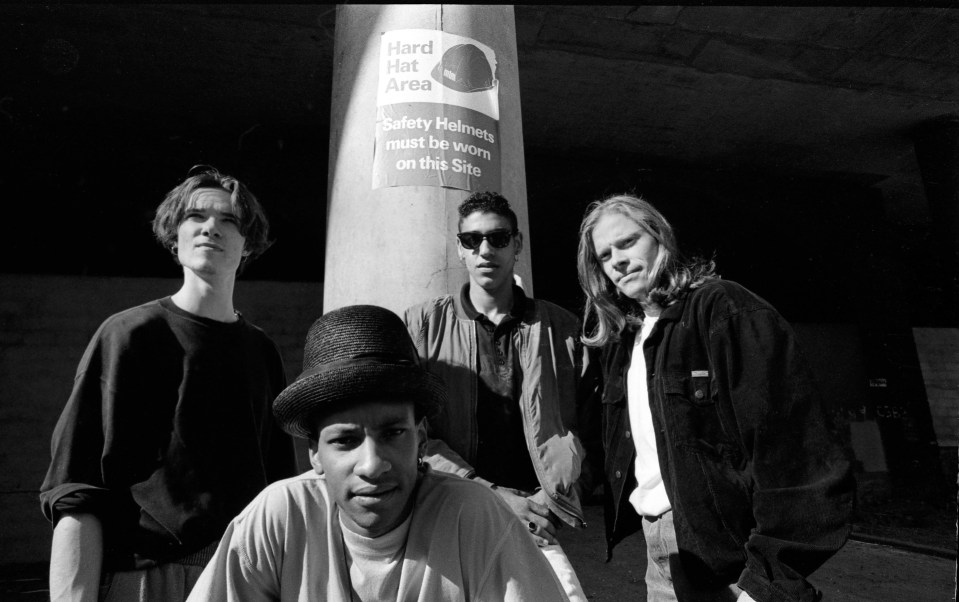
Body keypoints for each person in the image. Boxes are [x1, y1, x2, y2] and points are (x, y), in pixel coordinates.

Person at [576, 194, 855, 602]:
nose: (617, 260)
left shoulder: (723, 310)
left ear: (660, 238)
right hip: (663, 553)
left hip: (735, 562)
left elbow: (794, 453)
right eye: (604, 255)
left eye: (628, 242)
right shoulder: (626, 342)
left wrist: (769, 582)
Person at [186, 304, 570, 601]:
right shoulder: (280, 517)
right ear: (314, 454)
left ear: (421, 438)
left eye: (393, 433)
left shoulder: (474, 518)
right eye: (345, 441)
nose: (372, 464)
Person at [40, 165, 298, 602]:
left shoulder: (260, 351)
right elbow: (77, 485)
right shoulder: (128, 334)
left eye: (229, 220)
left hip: (245, 574)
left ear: (248, 243)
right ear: (173, 236)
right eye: (195, 217)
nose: (210, 228)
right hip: (148, 574)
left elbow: (278, 488)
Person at [403, 191, 595, 601]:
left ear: (518, 243)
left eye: (498, 238)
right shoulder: (422, 325)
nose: (485, 249)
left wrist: (554, 497)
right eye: (472, 240)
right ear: (460, 248)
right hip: (447, 509)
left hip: (535, 516)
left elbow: (588, 427)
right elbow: (412, 431)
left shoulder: (561, 327)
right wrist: (489, 495)